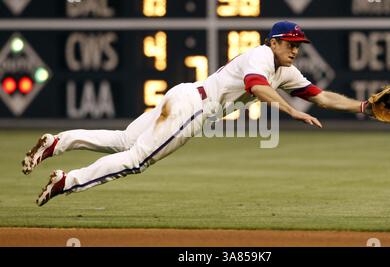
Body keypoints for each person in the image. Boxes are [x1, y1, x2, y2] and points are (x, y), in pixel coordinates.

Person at [23, 21, 371, 206]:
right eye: (290, 43)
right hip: (194, 108)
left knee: (124, 139)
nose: (295, 49)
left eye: (299, 45)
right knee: (136, 160)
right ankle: (67, 181)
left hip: (185, 94)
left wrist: (362, 106)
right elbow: (257, 86)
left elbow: (322, 96)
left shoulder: (286, 71)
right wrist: (287, 110)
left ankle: (57, 142)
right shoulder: (261, 57)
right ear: (274, 42)